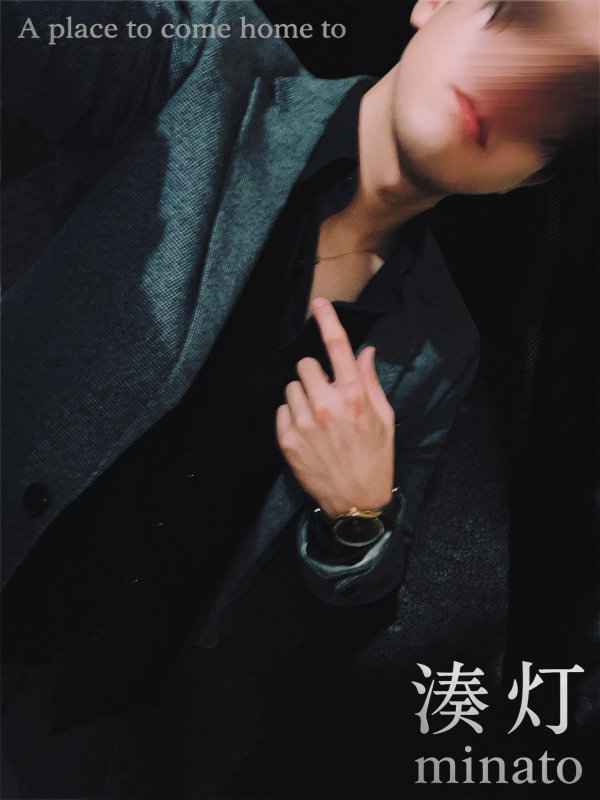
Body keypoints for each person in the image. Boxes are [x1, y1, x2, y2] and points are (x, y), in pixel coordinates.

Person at [1, 1, 598, 797]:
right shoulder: (207, 65)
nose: (518, 88)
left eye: (567, 104)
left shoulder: (440, 347)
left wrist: (360, 511)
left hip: (95, 719)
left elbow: (364, 578)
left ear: (534, 175)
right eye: (523, 24)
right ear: (436, 4)